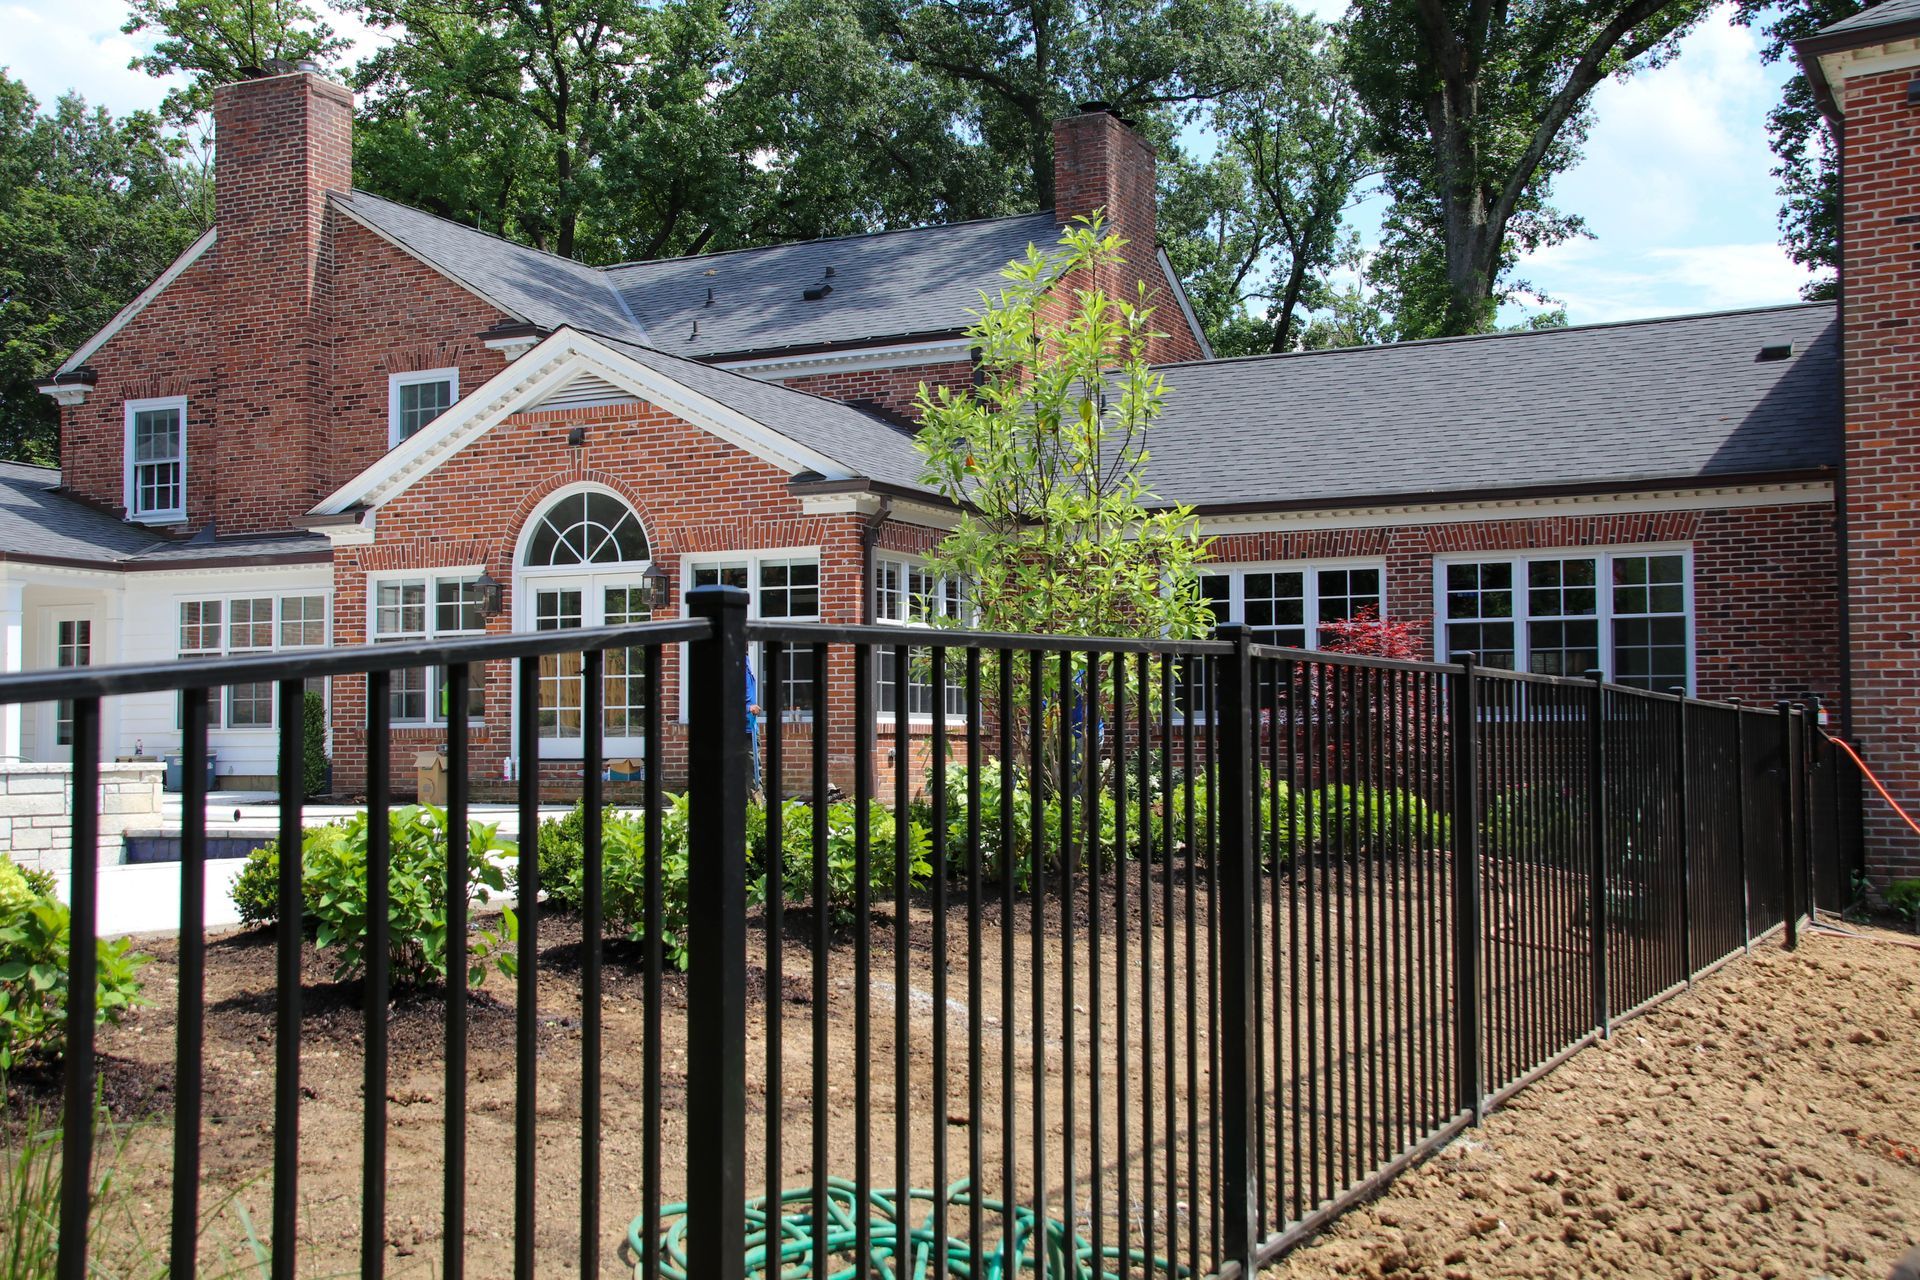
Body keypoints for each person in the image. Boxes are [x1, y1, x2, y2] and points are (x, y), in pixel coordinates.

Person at [746, 658, 763, 794]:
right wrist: (748, 708)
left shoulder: (746, 662)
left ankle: (755, 807)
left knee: (754, 770)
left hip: (750, 726)